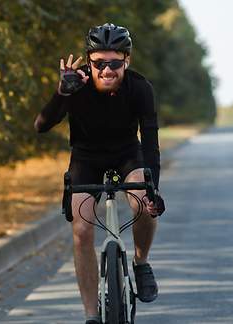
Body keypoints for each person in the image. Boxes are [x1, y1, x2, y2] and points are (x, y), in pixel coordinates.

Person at [34, 23, 165, 324]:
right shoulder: (74, 86)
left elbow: (151, 145)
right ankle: (91, 315)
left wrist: (153, 189)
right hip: (86, 158)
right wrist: (60, 93)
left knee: (143, 202)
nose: (107, 70)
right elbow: (41, 126)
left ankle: (141, 262)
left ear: (126, 61)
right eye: (99, 63)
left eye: (115, 63)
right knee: (81, 231)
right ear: (89, 61)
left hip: (127, 155)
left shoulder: (141, 88)